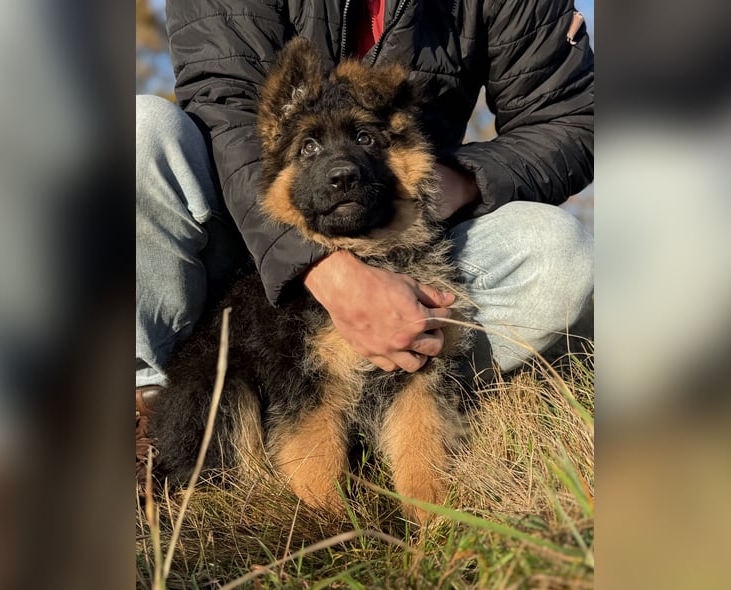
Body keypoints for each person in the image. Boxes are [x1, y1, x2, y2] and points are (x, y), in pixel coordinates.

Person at [135, 0, 595, 435]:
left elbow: (572, 117)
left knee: (559, 256)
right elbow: (227, 107)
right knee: (141, 133)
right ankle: (147, 409)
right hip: (246, 233)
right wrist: (325, 270)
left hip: (407, 235)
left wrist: (461, 181)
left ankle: (394, 399)